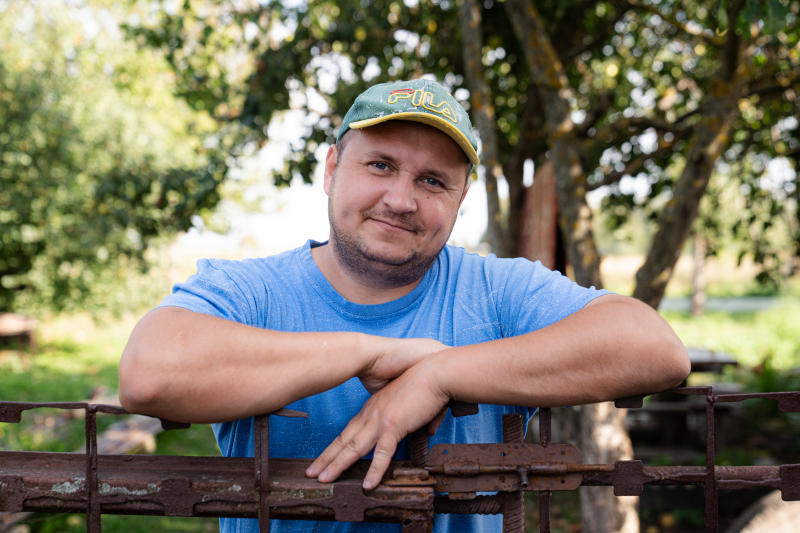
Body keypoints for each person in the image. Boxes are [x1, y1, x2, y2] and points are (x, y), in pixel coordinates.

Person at [119, 78, 690, 533]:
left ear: (461, 199)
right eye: (380, 165)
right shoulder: (251, 290)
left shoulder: (496, 290)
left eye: (434, 181)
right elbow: (149, 373)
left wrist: (440, 375)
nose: (400, 200)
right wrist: (366, 353)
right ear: (331, 169)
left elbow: (655, 350)